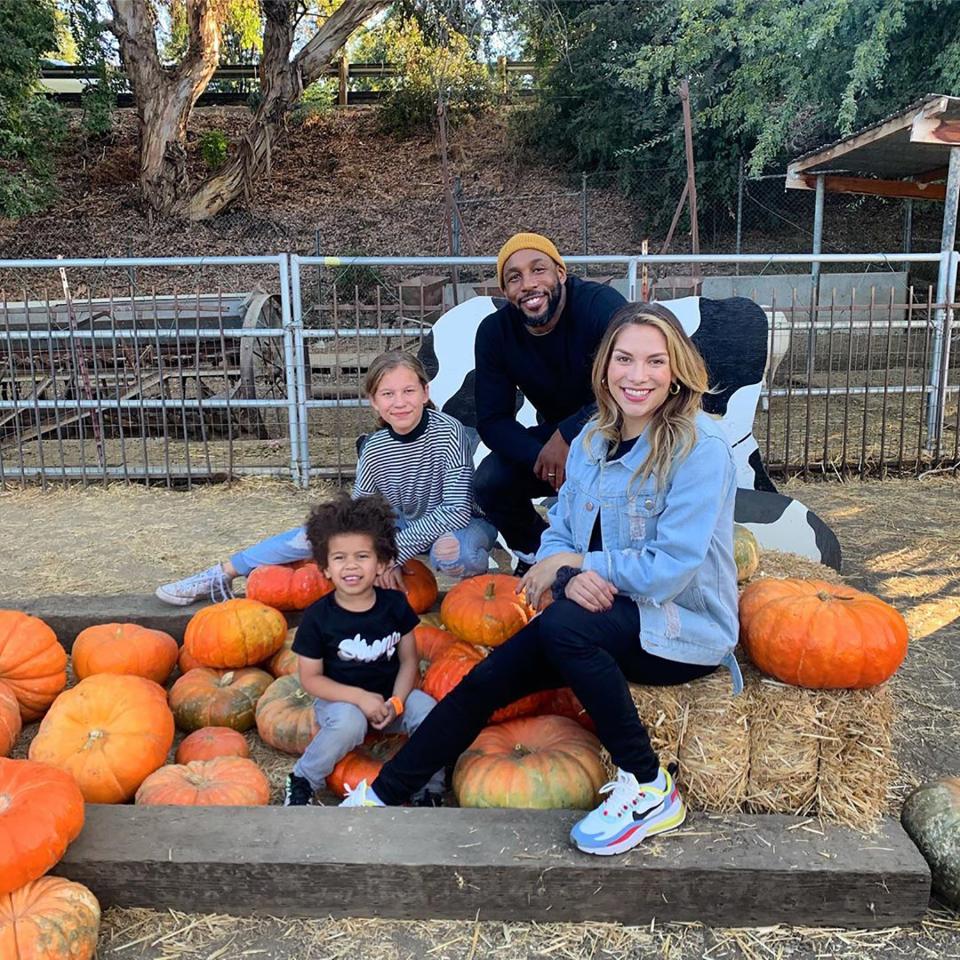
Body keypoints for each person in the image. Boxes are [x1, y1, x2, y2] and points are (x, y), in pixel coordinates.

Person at [339, 302, 743, 857]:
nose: (637, 375)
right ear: (604, 368)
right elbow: (560, 535)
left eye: (655, 361)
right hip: (594, 615)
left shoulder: (701, 449)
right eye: (624, 359)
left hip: (679, 630)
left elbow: (669, 570)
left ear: (676, 369)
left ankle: (649, 785)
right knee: (485, 682)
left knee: (564, 626)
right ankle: (382, 797)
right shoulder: (592, 442)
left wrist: (576, 569)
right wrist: (565, 572)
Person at [156, 351, 497, 604]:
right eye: (388, 394)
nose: (400, 403)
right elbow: (362, 512)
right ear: (374, 403)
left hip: (459, 523)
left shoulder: (448, 432)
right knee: (313, 535)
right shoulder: (375, 448)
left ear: (425, 392)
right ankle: (222, 574)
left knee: (456, 555)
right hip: (402, 526)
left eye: (409, 391)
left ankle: (477, 604)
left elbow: (455, 509)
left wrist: (390, 554)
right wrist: (374, 546)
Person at [474, 232, 627, 575]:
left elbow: (630, 386)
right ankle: (540, 554)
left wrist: (569, 434)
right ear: (505, 292)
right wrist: (542, 458)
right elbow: (492, 420)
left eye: (538, 270)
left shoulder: (600, 307)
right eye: (514, 277)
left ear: (561, 273)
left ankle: (605, 562)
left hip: (621, 435)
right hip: (558, 449)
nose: (528, 284)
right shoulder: (494, 333)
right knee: (490, 480)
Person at [283, 492, 445, 807]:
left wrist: (397, 703)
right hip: (342, 702)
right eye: (339, 557)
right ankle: (303, 779)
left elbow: (409, 661)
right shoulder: (318, 617)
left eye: (362, 556)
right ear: (325, 567)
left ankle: (430, 788)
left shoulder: (395, 605)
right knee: (349, 722)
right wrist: (359, 699)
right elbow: (312, 679)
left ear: (382, 562)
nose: (351, 566)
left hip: (391, 697)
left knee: (427, 711)